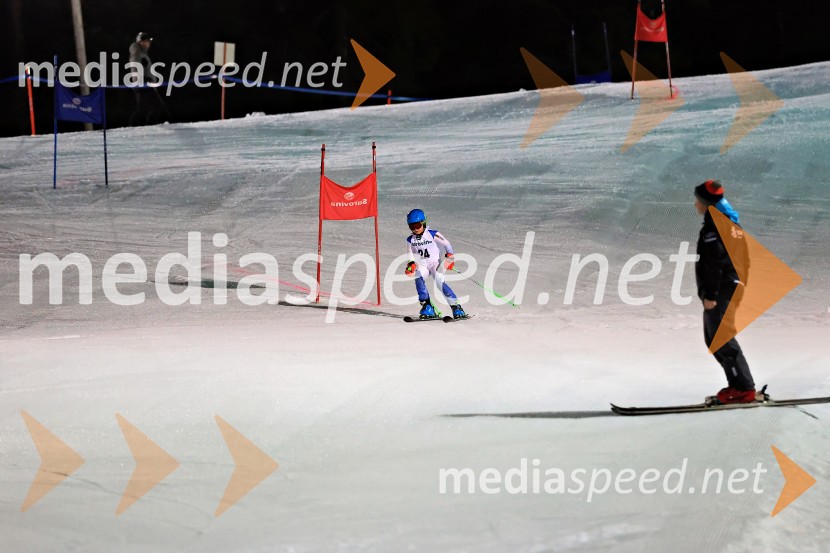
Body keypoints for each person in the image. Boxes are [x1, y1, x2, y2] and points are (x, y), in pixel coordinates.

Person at [693, 179, 756, 404]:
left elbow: (714, 264)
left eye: (698, 201)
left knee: (721, 339)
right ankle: (737, 385)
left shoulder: (715, 228)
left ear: (707, 204)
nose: (695, 205)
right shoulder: (726, 222)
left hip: (721, 290)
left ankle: (744, 389)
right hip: (730, 287)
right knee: (713, 339)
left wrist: (710, 296)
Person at [404, 209, 466, 319]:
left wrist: (450, 258)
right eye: (412, 226)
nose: (415, 229)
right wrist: (411, 264)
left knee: (439, 281)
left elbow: (446, 244)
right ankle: (427, 307)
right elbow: (410, 255)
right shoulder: (410, 240)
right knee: (418, 277)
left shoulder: (432, 234)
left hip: (435, 263)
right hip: (423, 265)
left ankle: (456, 307)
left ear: (423, 223)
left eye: (418, 225)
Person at [128, 32, 167, 126]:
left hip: (146, 82)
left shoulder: (143, 53)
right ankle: (144, 123)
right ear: (140, 42)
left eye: (148, 41)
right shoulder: (136, 51)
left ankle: (148, 123)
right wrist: (140, 80)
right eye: (145, 41)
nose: (148, 44)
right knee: (156, 106)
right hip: (143, 83)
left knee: (145, 107)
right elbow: (135, 65)